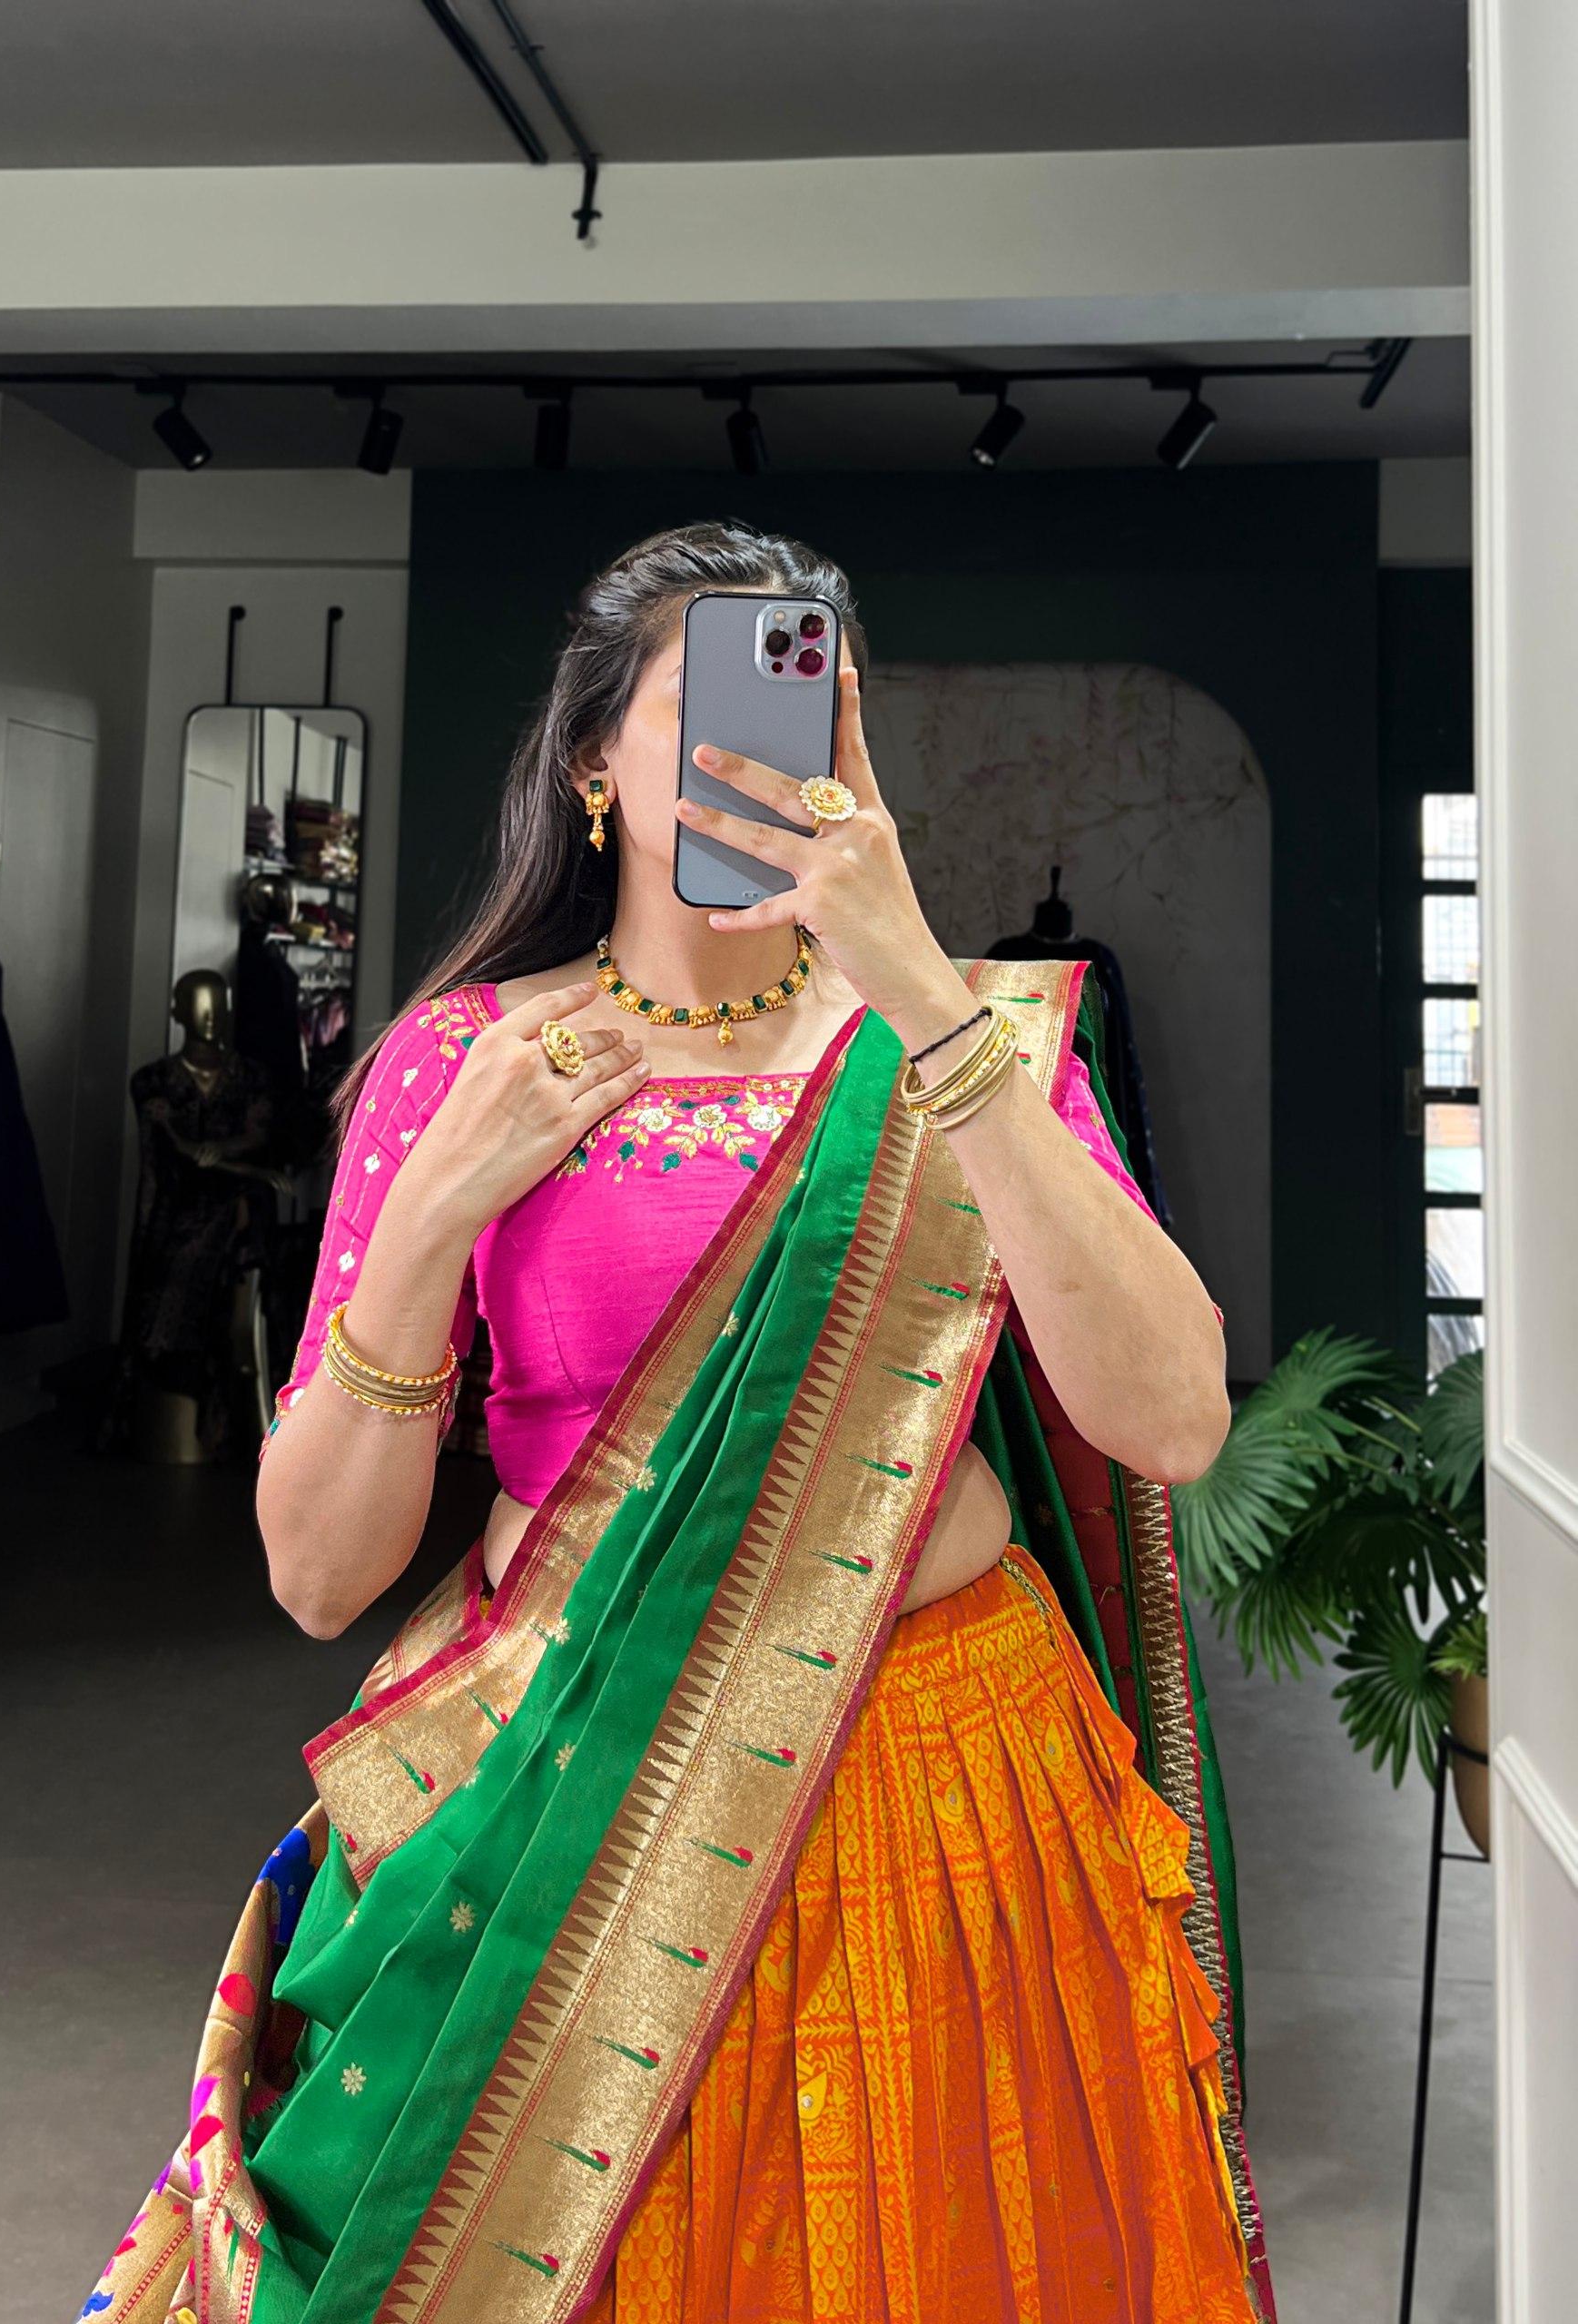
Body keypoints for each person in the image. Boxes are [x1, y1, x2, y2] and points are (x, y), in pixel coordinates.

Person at [84, 521, 1273, 2323]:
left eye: (812, 716)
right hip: (571, 1788)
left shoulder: (964, 1043)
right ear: (590, 764)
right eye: (705, 710)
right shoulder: (468, 1062)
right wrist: (434, 1212)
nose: (763, 760)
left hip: (946, 1791)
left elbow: (1174, 1417)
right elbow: (318, 1573)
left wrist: (918, 983)